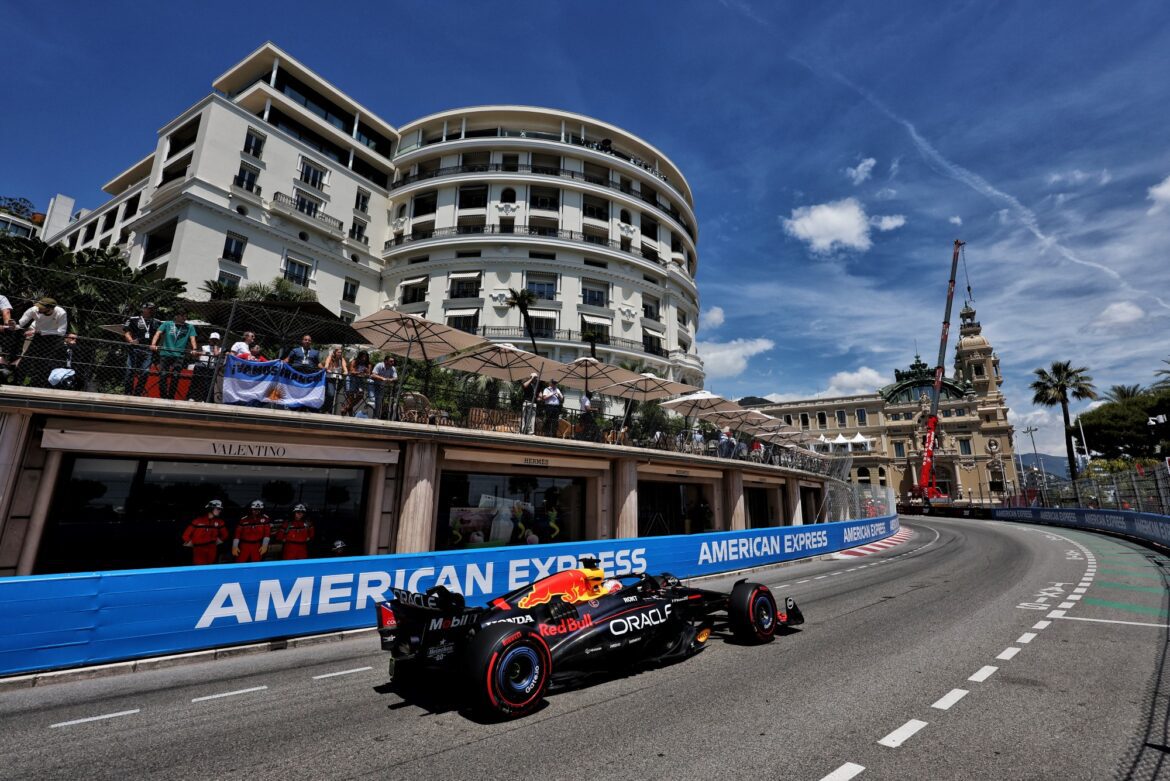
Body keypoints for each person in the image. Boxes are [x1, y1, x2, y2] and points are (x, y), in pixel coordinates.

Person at [17, 297, 69, 388]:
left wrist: (41, 332)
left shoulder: (61, 313)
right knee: (26, 358)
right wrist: (14, 325)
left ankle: (37, 384)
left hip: (53, 337)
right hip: (36, 333)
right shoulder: (34, 310)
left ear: (50, 308)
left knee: (43, 362)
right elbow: (20, 323)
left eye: (42, 307)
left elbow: (62, 332)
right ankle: (18, 381)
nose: (39, 308)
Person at [151, 310, 197, 400]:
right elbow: (158, 333)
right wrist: (153, 344)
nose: (185, 317)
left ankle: (171, 396)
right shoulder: (167, 324)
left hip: (179, 355)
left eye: (186, 316)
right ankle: (163, 395)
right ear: (176, 316)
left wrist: (194, 349)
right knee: (163, 374)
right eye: (182, 315)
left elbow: (193, 338)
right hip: (165, 353)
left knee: (176, 376)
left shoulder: (189, 327)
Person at [122, 302, 159, 396]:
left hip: (148, 350)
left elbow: (159, 335)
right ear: (143, 309)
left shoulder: (156, 321)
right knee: (130, 370)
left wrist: (155, 344)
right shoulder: (133, 319)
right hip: (134, 348)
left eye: (153, 309)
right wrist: (131, 341)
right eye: (149, 308)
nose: (151, 310)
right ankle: (128, 392)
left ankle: (138, 393)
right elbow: (126, 332)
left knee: (145, 372)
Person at [182, 499, 228, 565]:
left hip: (212, 549)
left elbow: (225, 535)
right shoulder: (197, 521)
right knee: (199, 569)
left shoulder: (220, 522)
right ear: (211, 508)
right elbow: (185, 535)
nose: (220, 511)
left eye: (220, 509)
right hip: (199, 549)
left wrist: (218, 541)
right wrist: (191, 543)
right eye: (218, 509)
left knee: (210, 568)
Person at [188, 332, 221, 402]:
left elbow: (216, 354)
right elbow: (196, 354)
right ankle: (192, 397)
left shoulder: (220, 349)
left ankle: (204, 398)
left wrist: (215, 346)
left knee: (207, 385)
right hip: (202, 366)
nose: (214, 341)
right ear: (209, 339)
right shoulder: (204, 347)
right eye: (212, 339)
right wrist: (199, 353)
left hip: (211, 368)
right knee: (196, 382)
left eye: (216, 340)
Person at [342, 350, 373, 416]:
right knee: (351, 397)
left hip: (361, 380)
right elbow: (351, 371)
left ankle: (346, 408)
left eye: (365, 357)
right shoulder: (355, 361)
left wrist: (366, 371)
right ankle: (350, 415)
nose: (364, 358)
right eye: (362, 357)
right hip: (352, 379)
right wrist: (360, 373)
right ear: (360, 356)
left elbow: (368, 373)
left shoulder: (368, 364)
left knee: (361, 395)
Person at [322, 346, 347, 414]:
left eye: (341, 352)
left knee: (335, 396)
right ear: (335, 352)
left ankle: (330, 410)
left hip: (338, 379)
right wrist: (327, 369)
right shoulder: (330, 357)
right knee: (331, 394)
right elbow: (326, 365)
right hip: (330, 378)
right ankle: (325, 409)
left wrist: (345, 372)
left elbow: (345, 367)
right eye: (338, 352)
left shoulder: (342, 359)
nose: (340, 354)